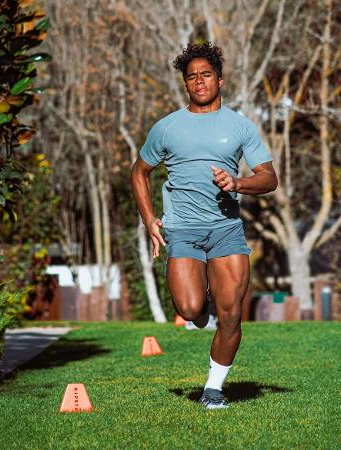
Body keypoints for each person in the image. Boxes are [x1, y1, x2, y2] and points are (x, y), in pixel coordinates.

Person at [131, 42, 278, 409]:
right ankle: (201, 311)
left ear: (220, 79)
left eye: (206, 74)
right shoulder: (166, 128)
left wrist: (237, 183)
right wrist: (149, 219)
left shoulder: (240, 126)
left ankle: (213, 389)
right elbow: (139, 172)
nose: (199, 81)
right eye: (191, 76)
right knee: (190, 309)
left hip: (226, 230)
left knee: (231, 315)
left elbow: (269, 178)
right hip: (182, 231)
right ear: (185, 84)